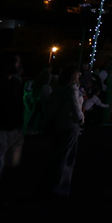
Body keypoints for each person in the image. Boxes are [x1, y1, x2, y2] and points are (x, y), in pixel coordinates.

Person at [47, 66, 83, 197]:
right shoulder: (71, 89)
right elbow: (75, 109)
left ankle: (51, 182)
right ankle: (61, 187)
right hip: (69, 125)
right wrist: (80, 119)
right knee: (67, 157)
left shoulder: (58, 87)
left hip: (57, 124)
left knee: (57, 154)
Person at [0, 54, 25, 170]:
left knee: (9, 163)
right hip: (0, 129)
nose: (19, 65)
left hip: (13, 128)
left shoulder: (15, 83)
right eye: (17, 62)